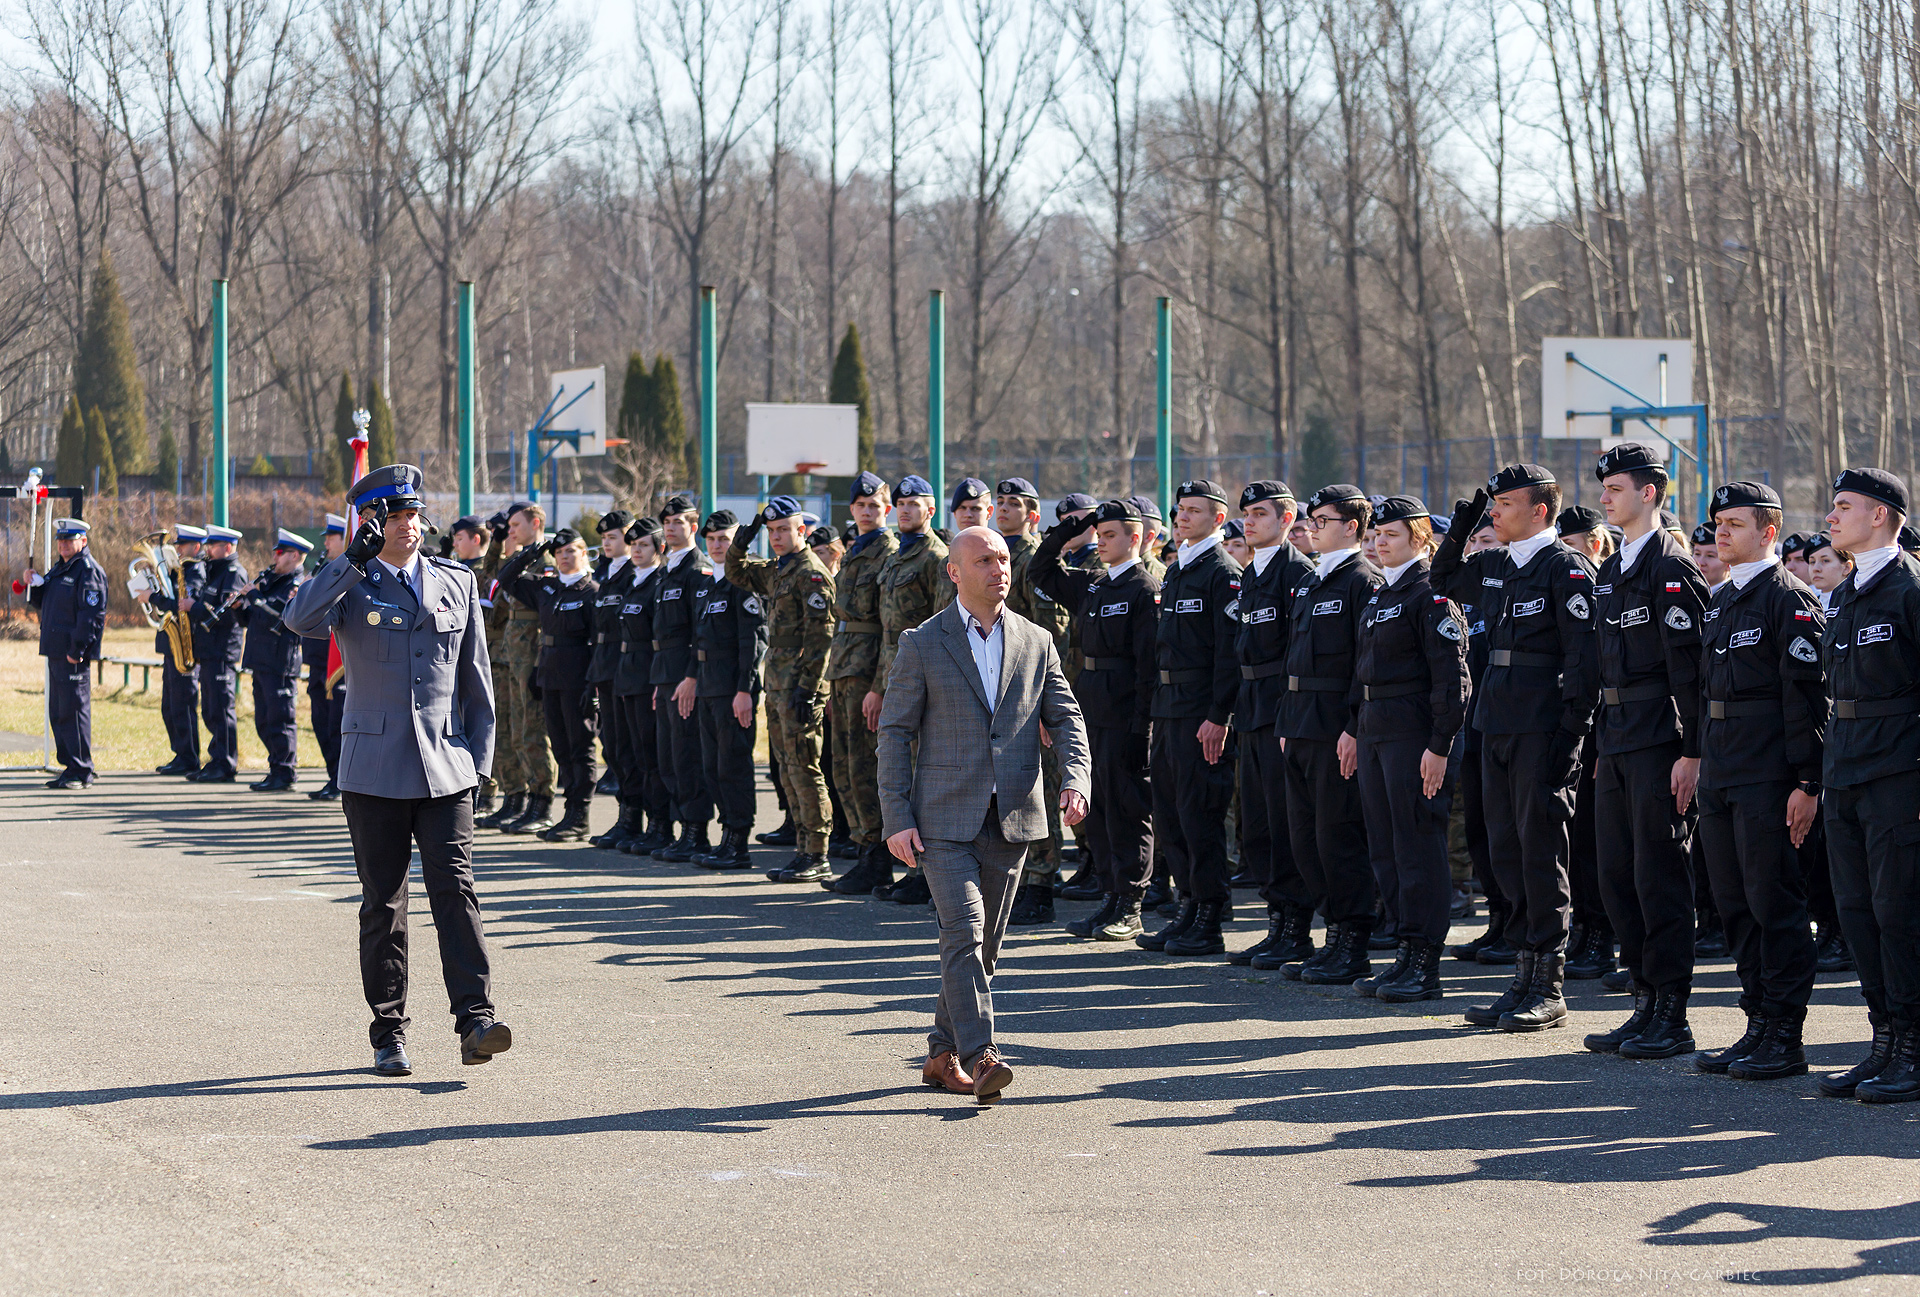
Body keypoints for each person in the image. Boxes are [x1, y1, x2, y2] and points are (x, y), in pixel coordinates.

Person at [284, 464, 507, 1077]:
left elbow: (476, 682)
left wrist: (480, 765)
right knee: (384, 902)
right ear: (371, 523)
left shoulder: (456, 583)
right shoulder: (349, 583)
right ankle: (389, 1032)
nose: (407, 526)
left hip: (445, 768)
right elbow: (298, 620)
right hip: (374, 769)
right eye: (393, 516)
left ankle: (477, 1019)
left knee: (455, 891)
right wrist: (346, 563)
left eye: (413, 514)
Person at [878, 526, 1091, 1102]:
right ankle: (981, 1054)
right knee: (965, 933)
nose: (1000, 569)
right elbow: (895, 734)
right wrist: (896, 815)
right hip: (941, 820)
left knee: (982, 948)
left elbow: (1067, 718)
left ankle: (941, 1053)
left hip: (1015, 815)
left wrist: (1076, 780)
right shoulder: (922, 643)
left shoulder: (1036, 640)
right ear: (954, 572)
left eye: (1003, 558)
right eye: (984, 560)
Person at [1432, 465, 1599, 1033]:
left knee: (1539, 852)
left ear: (1541, 511)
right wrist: (1464, 524)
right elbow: (1444, 579)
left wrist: (1572, 737)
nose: (1496, 512)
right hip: (1495, 723)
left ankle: (1548, 985)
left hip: (1541, 728)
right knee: (1504, 852)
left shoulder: (1566, 568)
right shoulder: (1499, 563)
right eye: (1493, 505)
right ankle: (1522, 976)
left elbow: (1583, 662)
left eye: (1505, 504)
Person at [1684, 481, 1826, 1082]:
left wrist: (1807, 781)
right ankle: (1756, 1023)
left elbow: (1807, 699)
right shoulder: (1721, 599)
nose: (1721, 533)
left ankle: (1785, 1034)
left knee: (1774, 903)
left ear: (1768, 532)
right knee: (1735, 903)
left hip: (1769, 772)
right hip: (1721, 767)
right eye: (1718, 523)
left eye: (1734, 524)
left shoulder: (1786, 599)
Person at [1579, 443, 1711, 1058]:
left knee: (1658, 876)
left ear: (1650, 493)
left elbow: (1691, 671)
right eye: (1603, 487)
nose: (1604, 497)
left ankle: (1672, 1012)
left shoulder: (1672, 567)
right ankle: (1642, 1000)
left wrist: (1692, 750)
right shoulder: (1612, 570)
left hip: (1662, 737)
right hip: (1619, 738)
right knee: (1616, 874)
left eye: (1615, 488)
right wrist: (1603, 742)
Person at [1817, 468, 1920, 1102]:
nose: (1830, 518)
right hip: (1846, 763)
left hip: (1898, 768)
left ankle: (1912, 1044)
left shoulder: (1908, 588)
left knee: (1899, 911)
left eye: (1843, 507)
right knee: (1855, 910)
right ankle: (1883, 1038)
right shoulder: (1851, 590)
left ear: (1879, 516)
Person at [1348, 495, 1469, 1001]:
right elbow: (1363, 672)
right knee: (1386, 847)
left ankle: (1425, 960)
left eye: (1391, 535)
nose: (1379, 542)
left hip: (1414, 734)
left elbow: (1452, 678)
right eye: (1375, 535)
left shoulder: (1431, 594)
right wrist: (1354, 728)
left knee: (1418, 847)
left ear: (1422, 538)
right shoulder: (1380, 595)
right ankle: (1402, 950)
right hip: (1376, 729)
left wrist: (1439, 745)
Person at [1268, 484, 1383, 980]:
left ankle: (1352, 939)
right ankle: (1332, 931)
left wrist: (1354, 726)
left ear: (1352, 527)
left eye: (1322, 521)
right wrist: (1286, 722)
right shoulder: (1314, 580)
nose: (1311, 529)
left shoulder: (1363, 579)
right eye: (1310, 521)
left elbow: (1367, 661)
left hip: (1337, 724)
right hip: (1300, 721)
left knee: (1338, 836)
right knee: (1305, 838)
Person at [1032, 498, 1159, 939]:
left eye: (1110, 535)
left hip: (1125, 713)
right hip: (1090, 709)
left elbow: (1148, 669)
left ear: (1135, 538)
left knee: (1128, 810)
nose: (1102, 543)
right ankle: (1109, 897)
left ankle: (1131, 903)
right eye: (1099, 536)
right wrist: (1074, 530)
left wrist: (1142, 729)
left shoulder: (1144, 589)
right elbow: (1041, 571)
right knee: (1098, 811)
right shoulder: (1095, 584)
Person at [1137, 479, 1244, 958]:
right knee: (1171, 815)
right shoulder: (1179, 569)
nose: (1182, 517)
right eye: (1180, 510)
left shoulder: (1223, 572)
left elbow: (1229, 652)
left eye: (1194, 511)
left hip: (1202, 712)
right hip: (1169, 709)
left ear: (1218, 519)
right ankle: (1189, 906)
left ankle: (1210, 913)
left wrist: (1219, 714)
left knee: (1200, 814)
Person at [1228, 481, 1318, 970]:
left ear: (1287, 520)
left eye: (1261, 513)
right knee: (1259, 824)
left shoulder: (1296, 573)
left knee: (1288, 825)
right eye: (1247, 513)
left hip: (1282, 710)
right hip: (1251, 708)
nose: (1249, 520)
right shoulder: (1251, 573)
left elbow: (1295, 653)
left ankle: (1296, 927)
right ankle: (1275, 922)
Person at [728, 495, 836, 881]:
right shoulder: (779, 570)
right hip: (778, 684)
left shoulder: (811, 574)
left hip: (799, 687)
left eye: (782, 530)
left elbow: (822, 640)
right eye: (771, 531)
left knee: (805, 767)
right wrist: (742, 540)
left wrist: (808, 689)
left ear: (801, 531)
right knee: (787, 768)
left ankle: (818, 851)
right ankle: (802, 848)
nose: (775, 537)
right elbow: (736, 573)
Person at [866, 475, 955, 904]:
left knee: (924, 776)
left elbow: (941, 623)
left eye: (913, 503)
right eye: (899, 503)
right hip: (893, 670)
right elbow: (886, 630)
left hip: (923, 677)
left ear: (931, 510)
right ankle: (912, 869)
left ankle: (928, 876)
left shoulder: (937, 557)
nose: (904, 509)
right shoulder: (897, 555)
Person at [821, 473, 901, 894]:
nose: (868, 512)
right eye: (861, 506)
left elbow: (888, 624)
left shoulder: (887, 551)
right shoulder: (855, 551)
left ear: (885, 509)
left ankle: (878, 856)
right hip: (844, 669)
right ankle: (862, 847)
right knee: (844, 766)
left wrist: (880, 685)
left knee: (868, 767)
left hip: (869, 668)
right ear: (851, 510)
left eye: (875, 506)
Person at [496, 526, 599, 841]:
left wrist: (593, 687)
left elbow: (599, 642)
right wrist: (533, 550)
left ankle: (580, 815)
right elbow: (506, 578)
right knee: (562, 748)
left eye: (571, 551)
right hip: (549, 675)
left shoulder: (591, 591)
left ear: (584, 554)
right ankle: (568, 814)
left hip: (578, 676)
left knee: (581, 747)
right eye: (560, 552)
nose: (565, 557)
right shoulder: (547, 588)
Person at [684, 511, 766, 868]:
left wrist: (745, 690)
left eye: (725, 539)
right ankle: (725, 837)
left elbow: (754, 640)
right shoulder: (706, 583)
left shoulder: (743, 582)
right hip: (707, 686)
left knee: (733, 766)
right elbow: (697, 639)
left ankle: (738, 841)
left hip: (733, 687)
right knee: (712, 766)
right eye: (712, 539)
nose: (717, 545)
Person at [23, 516, 108, 788]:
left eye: (69, 540)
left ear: (83, 541)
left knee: (74, 711)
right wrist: (33, 585)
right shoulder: (61, 569)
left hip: (72, 653)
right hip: (55, 650)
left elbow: (91, 615)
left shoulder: (87, 570)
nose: (63, 545)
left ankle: (82, 769)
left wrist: (77, 649)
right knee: (59, 711)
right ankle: (70, 766)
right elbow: (43, 602)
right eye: (60, 540)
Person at [490, 503, 558, 835]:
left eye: (516, 524)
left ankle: (542, 800)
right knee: (515, 732)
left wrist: (540, 662)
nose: (511, 530)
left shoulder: (547, 564)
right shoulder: (522, 562)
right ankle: (520, 798)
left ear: (536, 523)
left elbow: (547, 617)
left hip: (531, 658)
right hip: (510, 657)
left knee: (533, 732)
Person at [611, 517, 673, 854]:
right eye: (633, 545)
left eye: (644, 545)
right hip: (626, 674)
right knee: (629, 753)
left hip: (649, 674)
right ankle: (633, 820)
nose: (636, 550)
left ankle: (659, 824)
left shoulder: (658, 583)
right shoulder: (633, 582)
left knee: (652, 755)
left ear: (659, 549)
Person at [237, 530, 313, 792]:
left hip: (280, 661)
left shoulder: (298, 584)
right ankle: (275, 768)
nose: (274, 557)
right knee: (263, 720)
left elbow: (280, 615)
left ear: (294, 556)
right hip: (260, 659)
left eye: (279, 553)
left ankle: (285, 772)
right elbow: (252, 619)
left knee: (280, 719)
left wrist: (255, 598)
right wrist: (240, 607)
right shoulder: (270, 579)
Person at [182, 524, 249, 783]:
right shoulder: (214, 571)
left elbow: (223, 616)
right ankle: (216, 759)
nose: (208, 550)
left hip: (222, 651)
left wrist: (194, 607)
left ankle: (225, 763)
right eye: (208, 545)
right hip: (209, 651)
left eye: (214, 546)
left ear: (228, 548)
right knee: (210, 709)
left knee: (221, 709)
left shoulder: (233, 574)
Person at [586, 511, 637, 830]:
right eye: (603, 538)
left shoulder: (637, 572)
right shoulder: (603, 571)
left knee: (631, 745)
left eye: (613, 537)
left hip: (627, 664)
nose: (606, 543)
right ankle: (625, 818)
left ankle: (636, 819)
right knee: (614, 744)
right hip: (604, 663)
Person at [146, 523, 205, 775]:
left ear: (196, 547)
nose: (178, 549)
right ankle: (180, 754)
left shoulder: (196, 571)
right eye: (177, 545)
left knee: (182, 703)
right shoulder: (178, 570)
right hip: (172, 644)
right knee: (170, 706)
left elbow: (181, 604)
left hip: (185, 644)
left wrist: (153, 597)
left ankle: (189, 757)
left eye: (183, 545)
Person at [299, 515, 350, 799]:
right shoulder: (325, 573)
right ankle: (333, 777)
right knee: (321, 722)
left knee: (336, 724)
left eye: (331, 538)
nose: (326, 543)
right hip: (318, 659)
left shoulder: (349, 574)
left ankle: (343, 781)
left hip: (340, 662)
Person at [1805, 534, 1854, 611]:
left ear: (1847, 567)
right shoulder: (1807, 604)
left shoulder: (1854, 604)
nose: (1816, 568)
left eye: (1825, 560)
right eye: (1812, 562)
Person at [1692, 523, 1728, 591]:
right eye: (1697, 554)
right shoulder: (1686, 593)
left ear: (1729, 563)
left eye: (1710, 556)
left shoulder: (1735, 597)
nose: (1700, 562)